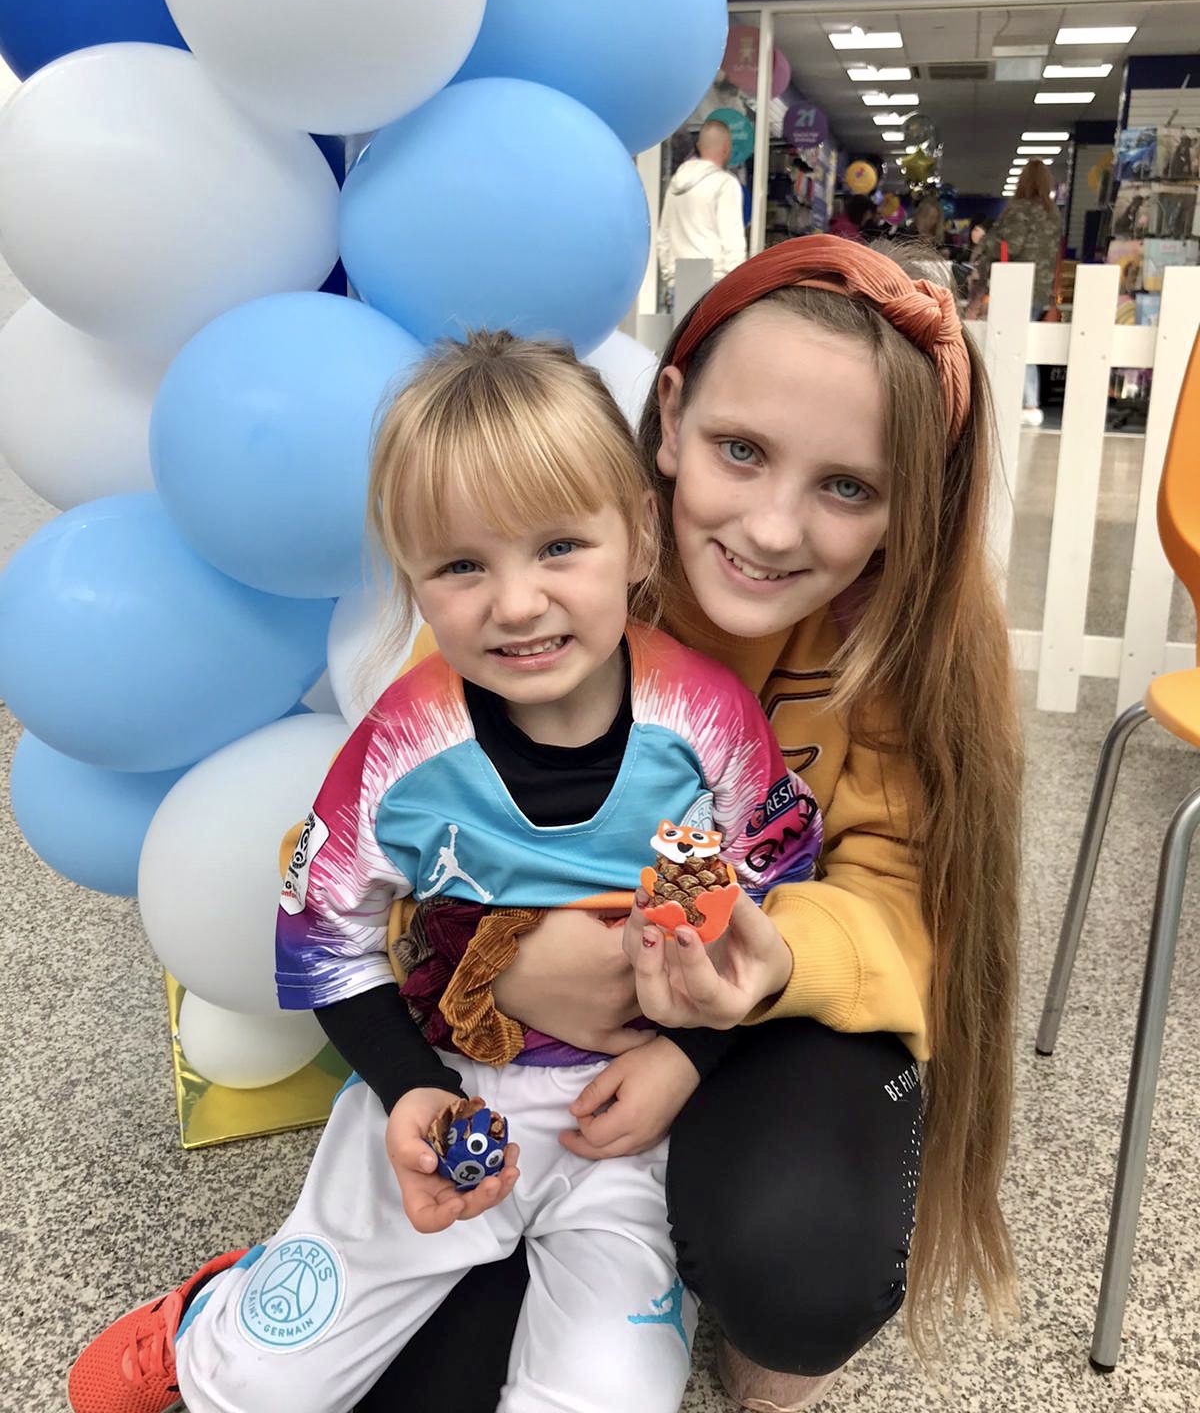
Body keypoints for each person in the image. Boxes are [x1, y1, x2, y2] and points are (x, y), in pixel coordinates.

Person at [70, 236, 1022, 1413]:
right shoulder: (456, 687)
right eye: (741, 449)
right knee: (313, 1375)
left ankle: (745, 1299)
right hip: (477, 1066)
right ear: (669, 419)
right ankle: (232, 1321)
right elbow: (338, 905)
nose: (774, 529)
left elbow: (809, 879)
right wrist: (487, 968)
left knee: (671, 1337)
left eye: (848, 486)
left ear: (907, 504)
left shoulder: (760, 705)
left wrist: (720, 1015)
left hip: (677, 1074)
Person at [969, 161, 1062, 427]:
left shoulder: (1019, 209)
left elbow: (1010, 245)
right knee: (1026, 343)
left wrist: (984, 239)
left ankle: (1020, 400)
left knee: (1008, 343)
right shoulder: (1052, 213)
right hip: (1039, 287)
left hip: (1014, 286)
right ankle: (1029, 402)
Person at [657, 117, 747, 295]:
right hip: (714, 282)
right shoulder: (725, 184)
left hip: (680, 280)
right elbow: (732, 239)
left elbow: (663, 236)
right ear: (726, 148)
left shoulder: (676, 183)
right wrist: (735, 285)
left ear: (699, 146)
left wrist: (670, 274)